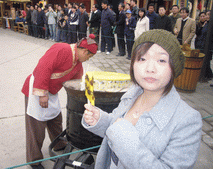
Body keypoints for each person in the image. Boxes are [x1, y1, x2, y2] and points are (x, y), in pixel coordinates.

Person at [82, 29, 202, 169]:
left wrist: (126, 141)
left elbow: (122, 135)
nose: (150, 68)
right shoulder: (132, 95)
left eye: (161, 60)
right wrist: (101, 120)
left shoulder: (187, 120)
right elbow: (117, 129)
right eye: (142, 59)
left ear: (173, 67)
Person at [22, 34, 98, 169]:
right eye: (89, 56)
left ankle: (59, 145)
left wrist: (84, 98)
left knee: (56, 119)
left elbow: (76, 83)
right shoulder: (62, 49)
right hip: (38, 88)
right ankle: (34, 160)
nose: (87, 59)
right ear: (85, 51)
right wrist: (42, 93)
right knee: (36, 127)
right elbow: (43, 67)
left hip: (52, 92)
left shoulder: (78, 63)